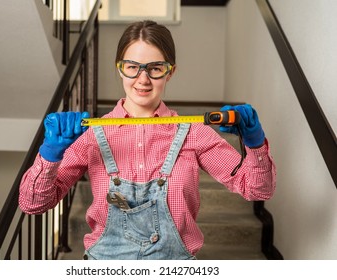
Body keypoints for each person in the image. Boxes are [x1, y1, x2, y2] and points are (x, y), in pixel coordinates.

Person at [19, 20, 276, 260]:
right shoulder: (91, 136)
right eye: (132, 67)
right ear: (119, 68)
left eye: (155, 68)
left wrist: (254, 144)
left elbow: (257, 189)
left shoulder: (193, 132)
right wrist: (50, 154)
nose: (142, 79)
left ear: (170, 72)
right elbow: (32, 204)